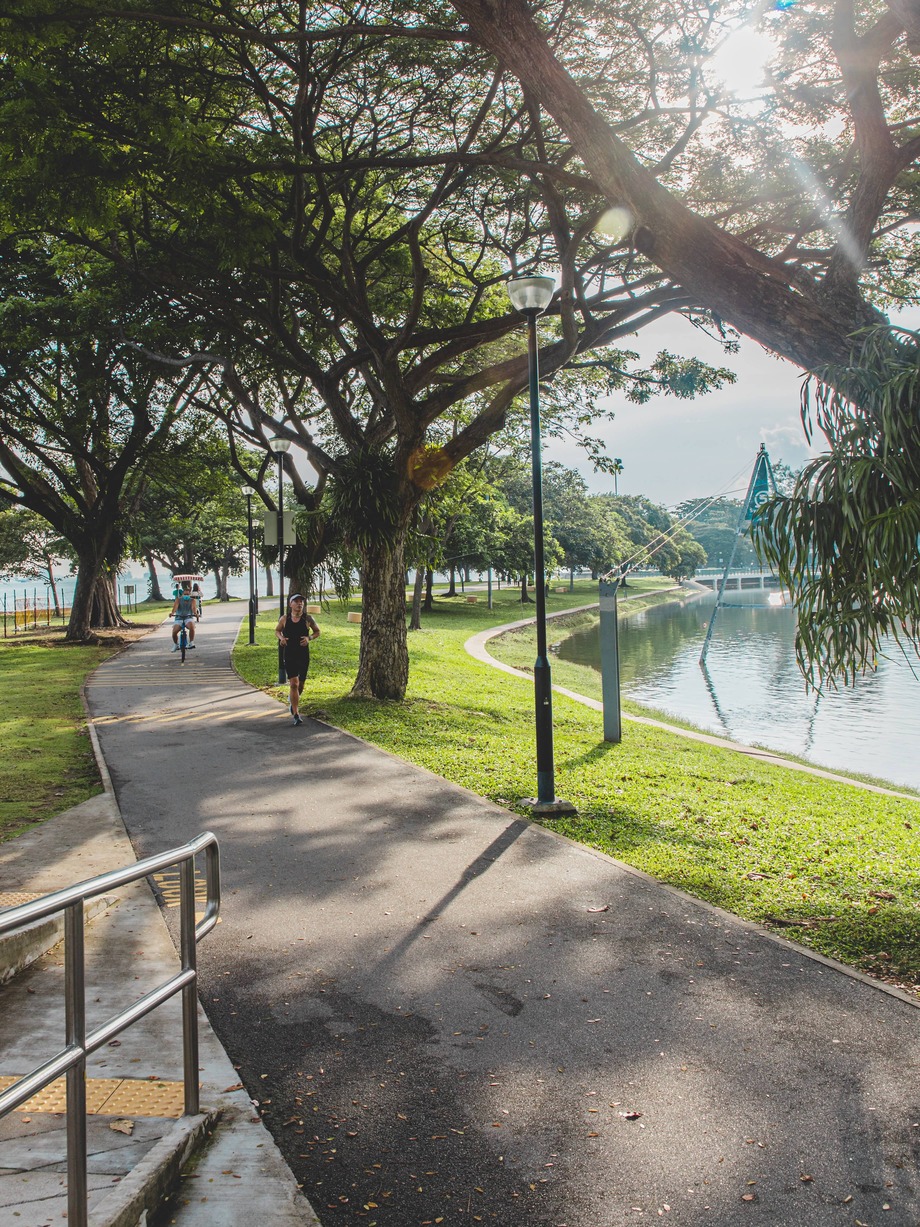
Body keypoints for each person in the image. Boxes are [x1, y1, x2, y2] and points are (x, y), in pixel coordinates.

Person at [275, 594, 319, 725]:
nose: (299, 604)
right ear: (290, 604)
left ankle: (293, 701)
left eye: (301, 602)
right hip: (289, 654)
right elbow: (277, 631)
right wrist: (281, 638)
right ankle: (296, 714)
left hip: (303, 654)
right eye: (296, 601)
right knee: (294, 683)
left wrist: (309, 638)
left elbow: (317, 632)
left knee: (301, 685)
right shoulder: (285, 619)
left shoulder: (308, 619)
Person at [171, 582, 197, 650]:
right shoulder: (178, 600)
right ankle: (176, 644)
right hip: (179, 618)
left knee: (192, 627)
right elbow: (175, 608)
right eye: (185, 594)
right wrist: (172, 613)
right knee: (174, 632)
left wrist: (195, 613)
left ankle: (191, 642)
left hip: (188, 617)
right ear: (182, 594)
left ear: (190, 594)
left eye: (187, 594)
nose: (186, 595)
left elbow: (193, 608)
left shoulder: (192, 600)